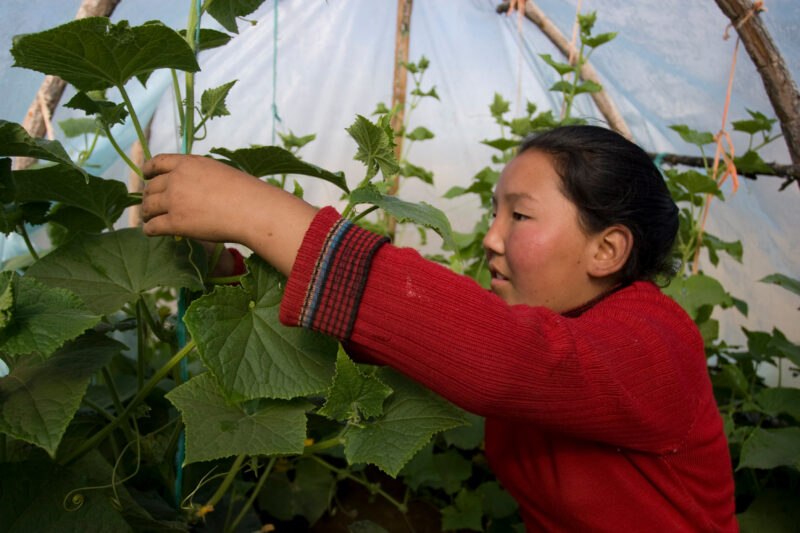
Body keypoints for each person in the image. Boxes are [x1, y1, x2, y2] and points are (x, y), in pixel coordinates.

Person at [141, 125, 737, 531]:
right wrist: (236, 272)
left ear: (607, 250)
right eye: (495, 212)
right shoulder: (555, 323)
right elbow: (417, 335)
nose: (492, 237)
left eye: (520, 215)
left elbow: (502, 358)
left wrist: (260, 212)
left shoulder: (655, 343)